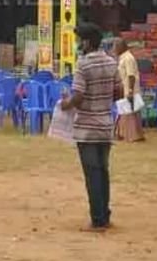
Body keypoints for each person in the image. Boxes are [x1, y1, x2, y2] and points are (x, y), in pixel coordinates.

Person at [60, 22, 121, 231]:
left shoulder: (83, 64)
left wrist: (65, 104)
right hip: (105, 125)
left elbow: (77, 96)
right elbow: (119, 93)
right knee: (103, 172)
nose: (78, 44)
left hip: (86, 128)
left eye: (79, 40)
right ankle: (105, 214)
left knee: (92, 174)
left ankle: (97, 220)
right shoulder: (112, 62)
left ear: (86, 42)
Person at [113, 38, 144, 142]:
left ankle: (132, 135)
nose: (114, 49)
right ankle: (123, 134)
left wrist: (130, 91)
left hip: (129, 89)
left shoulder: (128, 58)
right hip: (124, 88)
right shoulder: (123, 58)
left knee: (129, 113)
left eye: (115, 47)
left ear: (121, 47)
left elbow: (131, 76)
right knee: (125, 112)